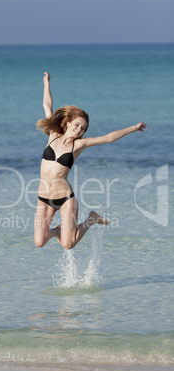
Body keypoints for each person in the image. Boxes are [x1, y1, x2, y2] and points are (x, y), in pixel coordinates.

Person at [34, 72, 147, 250]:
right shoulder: (53, 135)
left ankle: (91, 219)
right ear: (69, 122)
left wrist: (134, 127)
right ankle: (57, 230)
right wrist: (46, 83)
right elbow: (47, 105)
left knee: (68, 245)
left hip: (65, 198)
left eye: (83, 128)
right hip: (43, 197)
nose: (79, 130)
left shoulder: (79, 145)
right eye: (77, 125)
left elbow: (109, 138)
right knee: (39, 242)